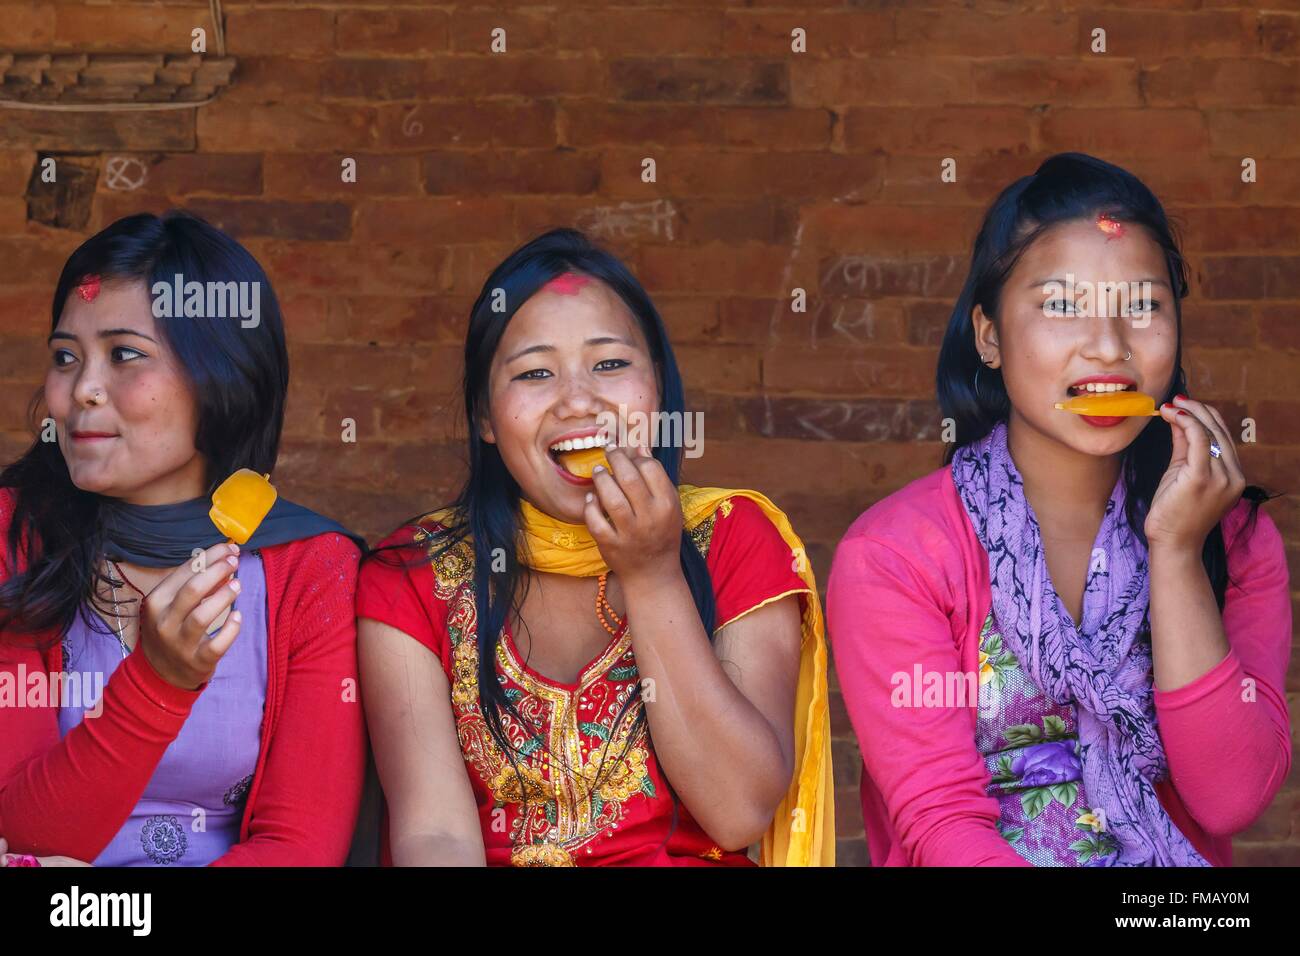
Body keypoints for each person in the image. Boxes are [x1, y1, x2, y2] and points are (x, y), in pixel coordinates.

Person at [828, 153, 1291, 867]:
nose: (1108, 347)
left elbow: (1230, 797)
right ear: (989, 335)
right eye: (1060, 305)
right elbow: (941, 826)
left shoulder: (1235, 539)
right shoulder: (896, 555)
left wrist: (1175, 555)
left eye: (1142, 306)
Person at [356, 228, 833, 866]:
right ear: (485, 417)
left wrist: (653, 572)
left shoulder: (734, 536)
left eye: (610, 364)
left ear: (657, 389)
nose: (579, 400)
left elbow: (738, 809)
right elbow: (433, 834)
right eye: (535, 373)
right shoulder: (411, 577)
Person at [0, 211, 366, 867]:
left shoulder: (312, 567)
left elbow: (300, 848)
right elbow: (19, 833)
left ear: (220, 377)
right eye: (65, 357)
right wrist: (157, 684)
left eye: (124, 355)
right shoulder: (15, 533)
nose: (81, 390)